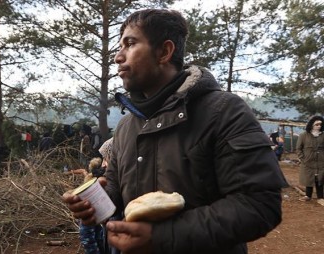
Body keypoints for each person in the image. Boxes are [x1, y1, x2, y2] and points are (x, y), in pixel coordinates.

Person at [63, 9, 287, 254]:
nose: (117, 56)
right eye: (119, 46)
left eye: (130, 43)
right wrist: (98, 202)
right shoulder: (127, 126)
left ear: (164, 52)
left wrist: (162, 237)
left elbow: (259, 205)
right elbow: (117, 187)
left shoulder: (223, 111)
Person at [296, 115, 324, 205]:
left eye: (320, 124)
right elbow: (298, 148)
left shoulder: (323, 135)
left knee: (319, 178)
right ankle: (308, 196)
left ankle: (320, 197)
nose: (319, 126)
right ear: (312, 125)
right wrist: (303, 159)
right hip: (308, 161)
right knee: (309, 178)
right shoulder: (303, 135)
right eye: (317, 124)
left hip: (321, 161)